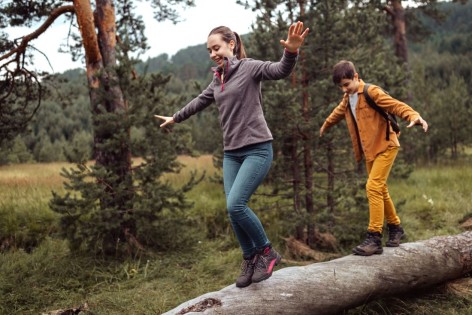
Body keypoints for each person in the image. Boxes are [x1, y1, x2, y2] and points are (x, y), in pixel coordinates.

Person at [154, 22, 309, 287]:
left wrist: (291, 52)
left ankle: (267, 252)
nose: (213, 53)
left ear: (231, 45)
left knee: (235, 204)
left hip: (257, 149)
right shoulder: (218, 79)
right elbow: (199, 101)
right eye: (209, 50)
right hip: (232, 154)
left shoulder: (249, 68)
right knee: (233, 210)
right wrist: (175, 117)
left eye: (217, 47)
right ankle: (250, 258)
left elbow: (280, 70)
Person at [319, 60, 428, 256]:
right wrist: (325, 125)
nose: (344, 90)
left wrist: (414, 116)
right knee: (380, 189)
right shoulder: (347, 97)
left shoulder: (372, 92)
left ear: (356, 76)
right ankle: (395, 228)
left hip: (386, 146)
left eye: (346, 84)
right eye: (340, 87)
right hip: (370, 151)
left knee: (373, 187)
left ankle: (374, 237)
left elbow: (396, 105)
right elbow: (338, 112)